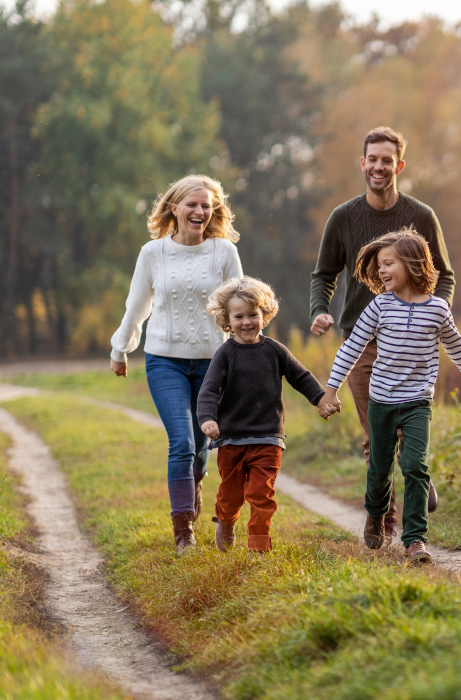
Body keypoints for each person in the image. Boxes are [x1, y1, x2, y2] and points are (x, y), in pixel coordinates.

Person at [309, 126, 453, 537]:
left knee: (410, 428)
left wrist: (434, 319)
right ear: (363, 163)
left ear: (399, 166)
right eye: (372, 159)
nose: (378, 166)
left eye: (386, 160)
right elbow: (324, 274)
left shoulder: (421, 216)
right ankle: (382, 519)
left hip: (412, 342)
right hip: (362, 344)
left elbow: (444, 276)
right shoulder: (344, 217)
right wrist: (320, 310)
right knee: (377, 435)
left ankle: (416, 474)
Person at [318, 229, 461, 564]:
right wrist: (331, 389)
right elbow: (352, 348)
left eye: (388, 263)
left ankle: (415, 541)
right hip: (381, 401)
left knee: (415, 466)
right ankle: (376, 514)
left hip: (417, 403)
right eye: (379, 265)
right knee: (380, 471)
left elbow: (456, 346)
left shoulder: (438, 309)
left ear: (412, 263)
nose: (381, 271)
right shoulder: (379, 307)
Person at [109, 175, 242, 554]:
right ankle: (184, 531)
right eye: (192, 204)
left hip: (212, 364)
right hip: (164, 359)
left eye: (207, 206)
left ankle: (195, 482)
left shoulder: (223, 253)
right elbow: (137, 306)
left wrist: (245, 357)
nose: (200, 212)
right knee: (181, 442)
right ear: (174, 207)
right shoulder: (153, 253)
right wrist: (122, 349)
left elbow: (240, 306)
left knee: (201, 448)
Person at [197, 277, 328, 556]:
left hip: (268, 436)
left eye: (253, 315)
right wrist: (208, 418)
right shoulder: (225, 354)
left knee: (261, 494)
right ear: (227, 320)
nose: (247, 322)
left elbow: (301, 377)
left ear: (264, 315)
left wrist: (321, 399)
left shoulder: (275, 351)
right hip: (231, 438)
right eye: (239, 316)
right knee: (231, 495)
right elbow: (209, 390)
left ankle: (258, 546)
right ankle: (226, 519)